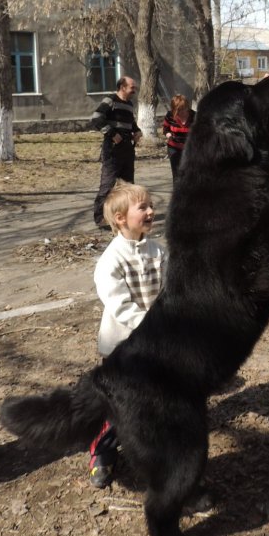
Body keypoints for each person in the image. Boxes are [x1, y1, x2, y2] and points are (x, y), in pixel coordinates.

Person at [89, 180, 166, 488]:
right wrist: (152, 327)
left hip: (155, 344)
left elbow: (168, 292)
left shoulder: (157, 250)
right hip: (122, 348)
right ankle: (103, 454)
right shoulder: (111, 260)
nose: (151, 211)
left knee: (155, 401)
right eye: (142, 207)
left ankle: (154, 451)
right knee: (119, 406)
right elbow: (120, 305)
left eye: (151, 205)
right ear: (121, 218)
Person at [92, 77, 142, 229]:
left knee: (128, 185)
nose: (134, 90)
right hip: (112, 150)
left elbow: (130, 123)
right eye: (132, 87)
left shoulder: (129, 104)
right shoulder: (110, 100)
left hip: (127, 149)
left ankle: (126, 215)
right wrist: (112, 133)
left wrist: (137, 131)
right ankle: (101, 218)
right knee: (108, 185)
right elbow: (96, 119)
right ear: (122, 87)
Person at [162, 94, 196, 180]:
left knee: (190, 172)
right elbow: (165, 129)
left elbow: (200, 131)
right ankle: (178, 192)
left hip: (190, 148)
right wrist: (168, 134)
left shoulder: (194, 116)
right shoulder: (170, 115)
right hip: (174, 147)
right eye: (179, 110)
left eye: (184, 109)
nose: (183, 112)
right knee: (177, 174)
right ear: (174, 109)